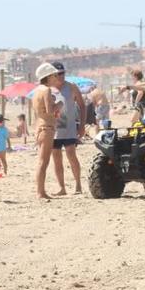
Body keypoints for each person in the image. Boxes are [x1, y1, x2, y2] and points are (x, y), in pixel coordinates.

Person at [50, 62, 86, 195]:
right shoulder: (48, 89)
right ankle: (62, 187)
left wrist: (82, 126)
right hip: (54, 129)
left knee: (71, 154)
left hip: (70, 128)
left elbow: (82, 106)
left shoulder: (71, 87)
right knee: (56, 158)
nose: (61, 76)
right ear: (52, 75)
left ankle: (78, 185)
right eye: (58, 74)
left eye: (63, 73)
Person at [32, 63, 62, 199]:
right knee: (43, 162)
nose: (57, 77)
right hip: (47, 128)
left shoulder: (37, 90)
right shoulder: (46, 90)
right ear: (48, 76)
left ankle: (40, 191)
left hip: (40, 127)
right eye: (55, 75)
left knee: (41, 161)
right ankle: (40, 192)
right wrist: (60, 104)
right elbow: (50, 110)